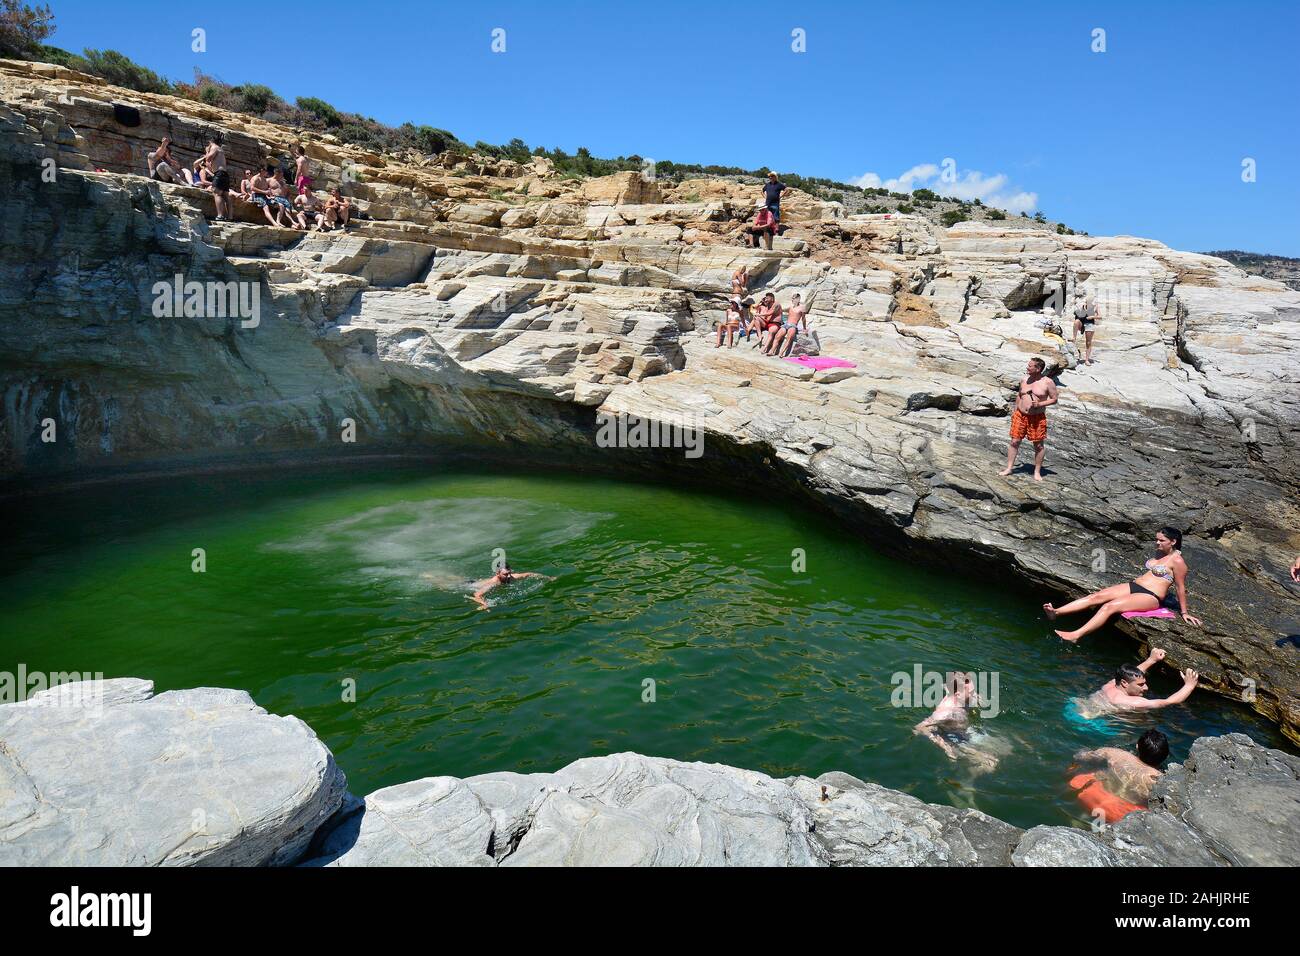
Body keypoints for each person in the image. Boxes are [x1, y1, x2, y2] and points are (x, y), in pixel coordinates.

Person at [1046, 527, 1202, 641]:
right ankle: (1057, 612)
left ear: (1173, 542)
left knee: (1109, 606)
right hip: (1134, 586)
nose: (1157, 543)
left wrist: (1184, 613)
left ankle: (1076, 635)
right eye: (1157, 539)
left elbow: (1181, 588)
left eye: (1161, 540)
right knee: (1096, 596)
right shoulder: (1160, 552)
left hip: (1150, 596)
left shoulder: (1178, 561)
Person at [913, 672, 999, 772]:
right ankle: (967, 782)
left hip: (967, 730)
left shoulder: (957, 693)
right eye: (971, 692)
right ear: (958, 694)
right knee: (990, 763)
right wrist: (945, 746)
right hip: (954, 737)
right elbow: (920, 727)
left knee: (1004, 749)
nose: (974, 694)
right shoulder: (945, 712)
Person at [1076, 648, 1198, 715]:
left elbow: (1132, 675)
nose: (1146, 688)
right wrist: (1189, 685)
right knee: (1144, 720)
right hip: (1088, 721)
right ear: (1124, 683)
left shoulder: (1111, 685)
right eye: (1141, 685)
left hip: (1079, 706)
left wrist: (1151, 660)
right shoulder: (1132, 701)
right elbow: (1168, 702)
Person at [998, 356, 1057, 481]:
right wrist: (1015, 411)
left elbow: (1054, 399)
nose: (1027, 367)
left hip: (1037, 417)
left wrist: (1040, 404)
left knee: (1039, 446)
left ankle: (1037, 472)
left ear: (1038, 368)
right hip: (1020, 415)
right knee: (1014, 442)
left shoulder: (1048, 382)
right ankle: (1009, 468)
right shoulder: (1024, 379)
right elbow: (1020, 395)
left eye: (1030, 366)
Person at [1073, 729, 1170, 805]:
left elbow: (1082, 756)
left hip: (1095, 795)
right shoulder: (1160, 779)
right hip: (1125, 810)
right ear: (1166, 756)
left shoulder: (1114, 753)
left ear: (1137, 746)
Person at [468, 564, 548, 612]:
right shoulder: (494, 583)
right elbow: (477, 594)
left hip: (478, 581)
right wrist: (484, 604)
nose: (509, 576)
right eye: (505, 574)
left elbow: (529, 574)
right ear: (497, 574)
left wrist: (548, 577)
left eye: (509, 573)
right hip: (470, 584)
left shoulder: (512, 577)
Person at [769, 292, 808, 357]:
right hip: (786, 324)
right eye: (792, 298)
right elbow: (781, 310)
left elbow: (803, 319)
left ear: (798, 299)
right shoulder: (791, 307)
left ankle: (781, 353)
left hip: (793, 325)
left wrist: (804, 328)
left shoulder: (802, 308)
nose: (792, 300)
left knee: (789, 338)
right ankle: (772, 351)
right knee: (777, 336)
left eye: (794, 298)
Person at [204, 134, 231, 221]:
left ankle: (220, 215)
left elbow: (208, 158)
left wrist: (207, 151)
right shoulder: (220, 148)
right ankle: (230, 217)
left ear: (210, 142)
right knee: (226, 196)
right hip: (224, 174)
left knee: (217, 193)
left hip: (219, 174)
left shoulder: (214, 147)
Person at [1072, 292, 1099, 365]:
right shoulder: (1083, 305)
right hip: (1082, 323)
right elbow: (1076, 313)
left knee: (1088, 342)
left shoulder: (1095, 306)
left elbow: (1100, 316)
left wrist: (1092, 317)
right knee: (1076, 322)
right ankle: (1074, 338)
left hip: (1089, 323)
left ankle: (1087, 360)